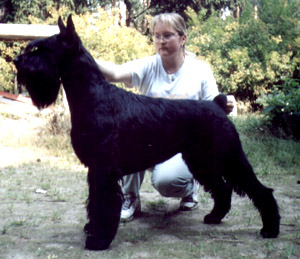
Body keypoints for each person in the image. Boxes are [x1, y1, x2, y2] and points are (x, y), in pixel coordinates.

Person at [97, 13, 234, 222]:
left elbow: (213, 108)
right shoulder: (148, 65)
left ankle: (190, 188)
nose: (161, 41)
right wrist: (79, 55)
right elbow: (114, 74)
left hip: (184, 143)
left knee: (166, 182)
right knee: (126, 135)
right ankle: (130, 196)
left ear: (182, 39)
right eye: (157, 36)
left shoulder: (200, 70)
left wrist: (228, 104)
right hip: (149, 140)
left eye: (168, 35)